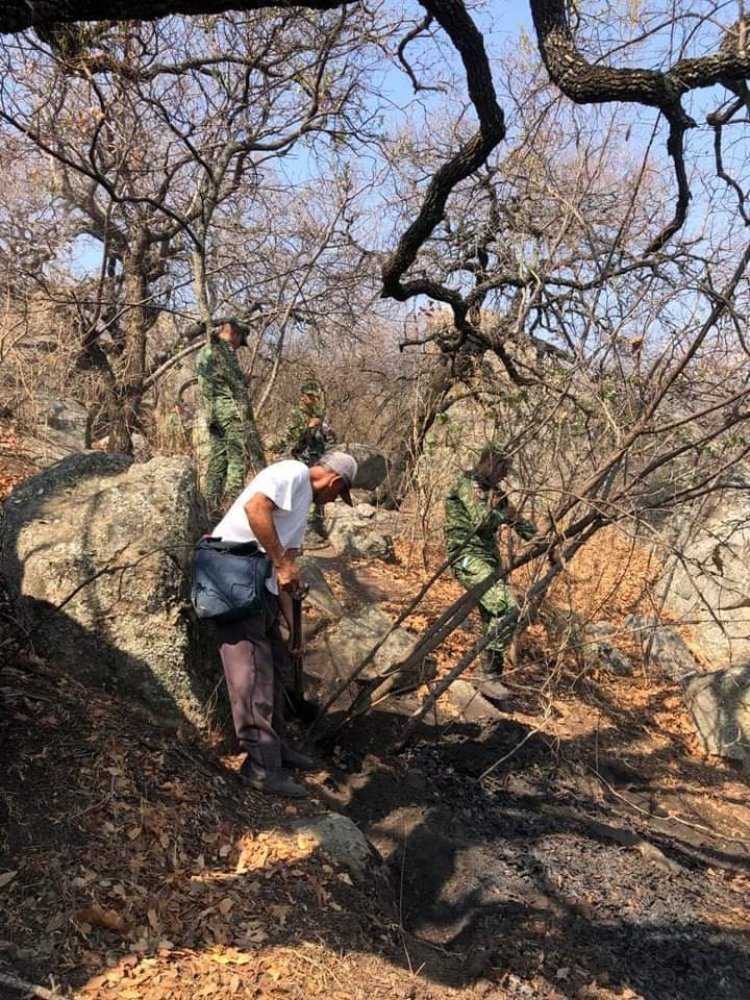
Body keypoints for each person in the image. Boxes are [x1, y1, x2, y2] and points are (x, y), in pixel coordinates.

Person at [211, 451, 358, 798]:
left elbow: (286, 574)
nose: (333, 501)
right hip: (230, 574)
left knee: (275, 666)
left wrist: (293, 630)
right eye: (338, 495)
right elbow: (255, 509)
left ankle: (276, 749)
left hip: (256, 585)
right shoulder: (292, 473)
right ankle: (260, 767)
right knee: (251, 673)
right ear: (335, 481)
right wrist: (280, 562)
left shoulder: (302, 507)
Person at [444, 444, 536, 702]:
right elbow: (481, 521)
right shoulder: (467, 485)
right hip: (467, 558)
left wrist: (545, 541)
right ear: (489, 464)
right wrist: (501, 513)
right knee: (505, 606)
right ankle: (485, 674)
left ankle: (491, 676)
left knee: (492, 616)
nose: (505, 475)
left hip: (489, 562)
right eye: (503, 469)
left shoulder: (497, 494)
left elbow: (520, 522)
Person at [196, 317, 266, 516]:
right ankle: (234, 506)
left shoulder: (205, 350)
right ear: (234, 333)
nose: (238, 347)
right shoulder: (223, 350)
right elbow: (236, 386)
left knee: (218, 458)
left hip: (212, 412)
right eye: (239, 341)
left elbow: (217, 380)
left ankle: (210, 507)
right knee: (237, 457)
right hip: (230, 412)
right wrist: (243, 383)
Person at [284, 381, 334, 467]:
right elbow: (292, 437)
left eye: (314, 396)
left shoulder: (318, 413)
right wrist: (308, 426)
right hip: (301, 453)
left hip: (318, 452)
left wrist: (328, 433)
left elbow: (322, 436)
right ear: (302, 397)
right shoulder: (295, 413)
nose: (312, 398)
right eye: (309, 396)